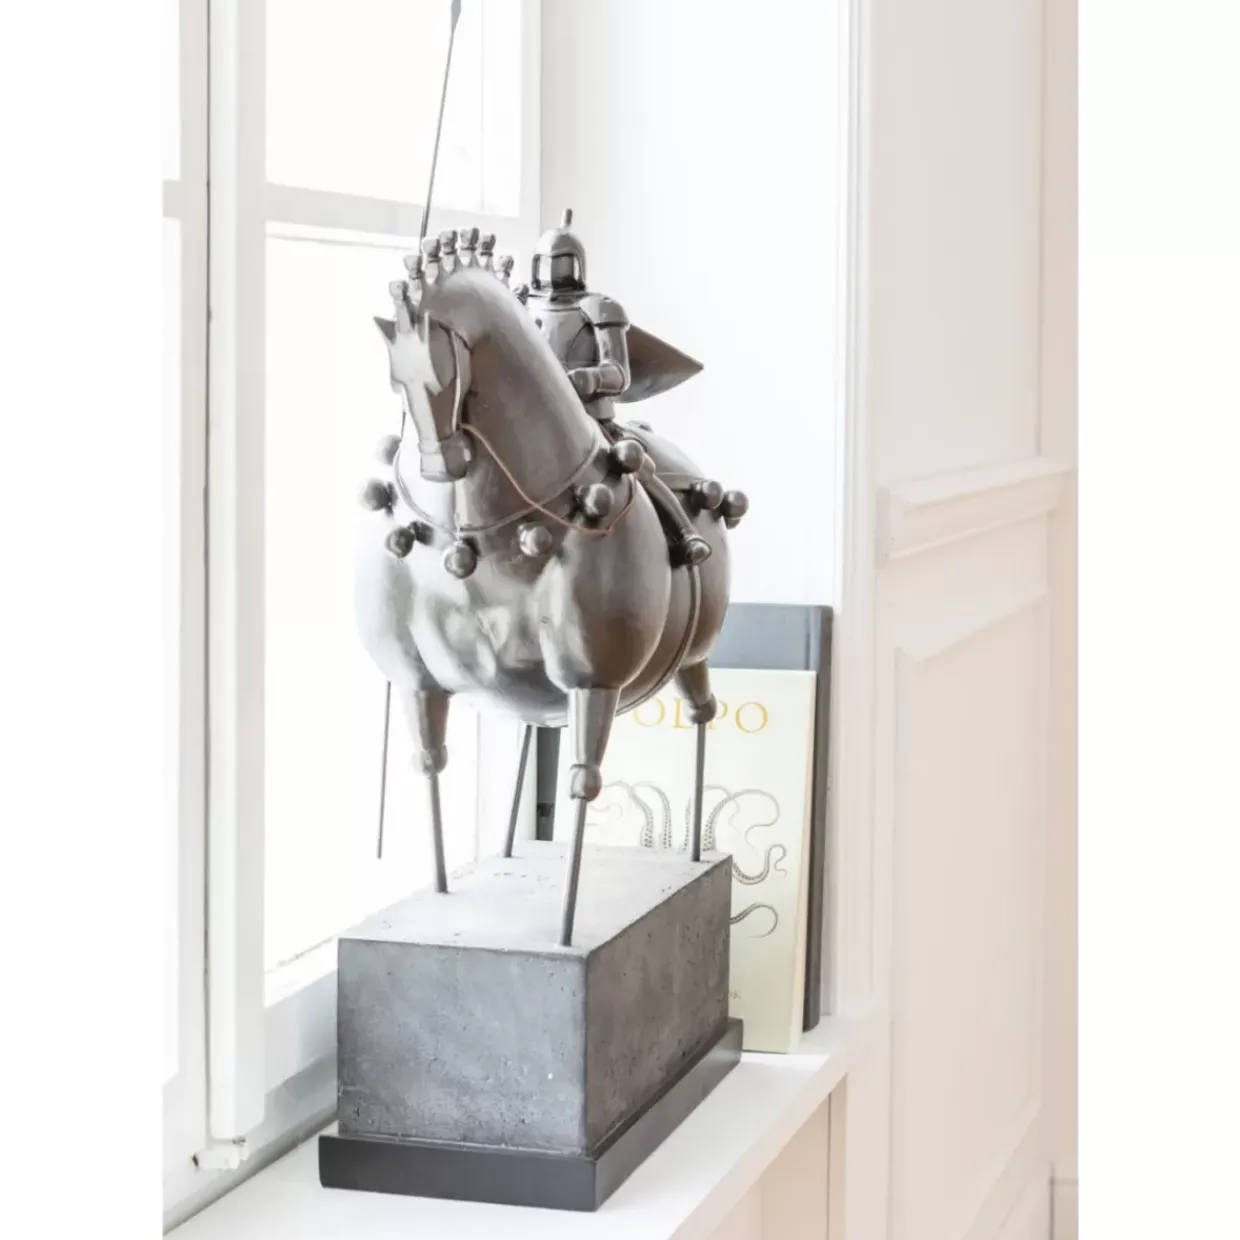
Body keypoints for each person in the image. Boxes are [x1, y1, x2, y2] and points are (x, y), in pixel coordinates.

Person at [521, 209, 713, 566]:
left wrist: (586, 379)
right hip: (534, 421)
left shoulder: (597, 309)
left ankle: (685, 532)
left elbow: (618, 372)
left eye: (560, 261)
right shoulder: (521, 306)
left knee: (636, 465)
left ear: (576, 263)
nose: (553, 270)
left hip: (591, 421)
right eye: (546, 262)